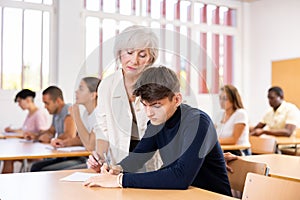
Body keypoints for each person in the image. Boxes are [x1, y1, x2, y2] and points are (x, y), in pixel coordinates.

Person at [84, 66, 232, 196]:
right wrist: (114, 169)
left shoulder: (198, 122)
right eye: (145, 105)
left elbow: (180, 177)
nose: (149, 113)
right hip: (181, 195)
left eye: (156, 105)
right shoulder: (156, 123)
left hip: (211, 196)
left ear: (177, 99)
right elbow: (137, 158)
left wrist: (119, 180)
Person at [91, 25, 161, 171]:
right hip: (119, 165)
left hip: (154, 165)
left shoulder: (160, 83)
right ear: (119, 52)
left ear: (150, 59)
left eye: (142, 55)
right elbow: (103, 128)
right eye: (129, 52)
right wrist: (100, 157)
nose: (134, 61)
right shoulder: (107, 85)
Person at [51, 77, 101, 169]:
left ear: (93, 95)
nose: (76, 92)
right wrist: (64, 143)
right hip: (90, 160)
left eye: (81, 89)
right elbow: (81, 138)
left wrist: (76, 118)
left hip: (99, 164)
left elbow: (90, 146)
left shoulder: (100, 114)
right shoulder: (87, 113)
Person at [30, 86, 77, 171]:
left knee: (41, 169)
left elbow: (69, 135)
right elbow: (51, 131)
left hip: (74, 157)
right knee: (36, 166)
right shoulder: (56, 113)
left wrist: (50, 139)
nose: (45, 106)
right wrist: (36, 136)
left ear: (58, 101)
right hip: (62, 155)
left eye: (47, 103)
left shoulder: (68, 111)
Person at [2, 89, 49, 173]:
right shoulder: (30, 114)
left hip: (35, 150)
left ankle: (4, 183)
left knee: (8, 158)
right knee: (7, 158)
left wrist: (32, 135)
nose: (19, 104)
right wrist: (12, 130)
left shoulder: (39, 114)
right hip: (28, 147)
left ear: (28, 100)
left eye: (20, 101)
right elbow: (24, 129)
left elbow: (44, 133)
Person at [215, 85, 251, 155]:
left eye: (225, 99)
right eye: (220, 98)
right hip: (225, 151)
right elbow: (213, 134)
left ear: (233, 99)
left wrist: (212, 142)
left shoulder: (240, 114)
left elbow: (234, 140)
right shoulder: (220, 114)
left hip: (239, 152)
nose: (221, 101)